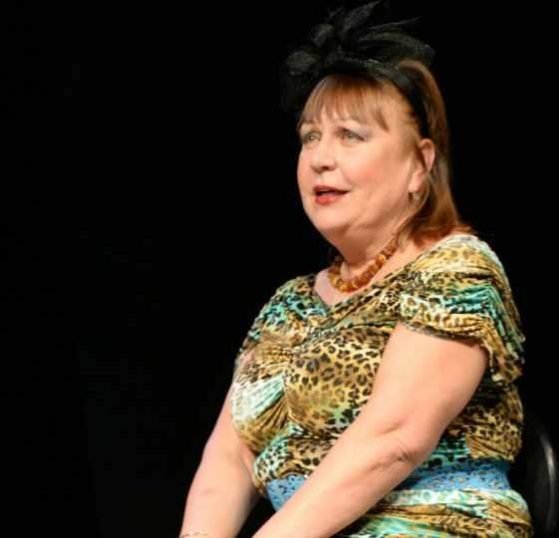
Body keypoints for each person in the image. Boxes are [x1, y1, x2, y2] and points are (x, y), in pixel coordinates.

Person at [179, 1, 532, 536]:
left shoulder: (456, 269)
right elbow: (228, 462)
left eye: (351, 135)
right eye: (310, 137)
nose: (321, 157)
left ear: (420, 164)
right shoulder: (289, 304)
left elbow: (393, 441)